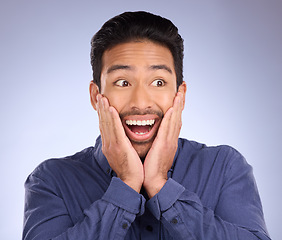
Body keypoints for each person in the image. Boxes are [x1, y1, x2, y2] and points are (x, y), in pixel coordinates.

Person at [23, 11, 271, 240]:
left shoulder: (224, 166)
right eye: (122, 82)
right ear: (95, 96)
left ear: (180, 95)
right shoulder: (51, 180)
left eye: (159, 82)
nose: (141, 103)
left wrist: (161, 186)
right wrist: (127, 185)